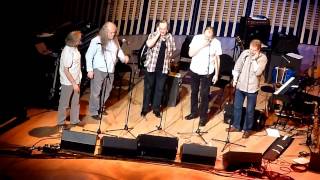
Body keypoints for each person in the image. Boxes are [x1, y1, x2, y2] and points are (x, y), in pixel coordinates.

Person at [86, 22, 129, 120]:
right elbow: (88, 55)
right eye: (111, 33)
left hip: (110, 70)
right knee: (96, 92)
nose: (113, 35)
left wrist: (124, 58)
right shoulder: (96, 40)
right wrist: (89, 70)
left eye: (114, 33)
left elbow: (119, 52)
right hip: (98, 70)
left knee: (107, 91)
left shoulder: (115, 41)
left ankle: (100, 107)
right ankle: (94, 111)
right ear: (105, 31)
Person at [228, 39, 268, 138]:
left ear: (258, 50)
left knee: (250, 110)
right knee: (237, 107)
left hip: (252, 88)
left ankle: (247, 129)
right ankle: (236, 126)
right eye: (250, 49)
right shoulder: (245, 53)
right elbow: (238, 66)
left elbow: (258, 72)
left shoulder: (263, 58)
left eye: (253, 50)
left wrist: (254, 59)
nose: (251, 52)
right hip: (240, 85)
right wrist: (235, 79)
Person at [184, 27, 222, 127]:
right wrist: (203, 45)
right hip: (195, 70)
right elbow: (190, 53)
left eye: (210, 37)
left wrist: (217, 74)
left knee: (204, 94)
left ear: (213, 36)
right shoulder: (197, 38)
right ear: (203, 33)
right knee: (194, 91)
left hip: (207, 72)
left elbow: (217, 59)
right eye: (206, 36)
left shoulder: (216, 42)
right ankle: (194, 112)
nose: (208, 39)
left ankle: (203, 117)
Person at [141, 20, 176, 118]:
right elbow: (149, 45)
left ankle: (156, 109)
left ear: (167, 29)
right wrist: (157, 35)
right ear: (157, 28)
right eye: (161, 28)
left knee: (159, 89)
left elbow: (172, 50)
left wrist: (166, 42)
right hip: (151, 67)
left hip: (163, 68)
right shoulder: (152, 35)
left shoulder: (170, 37)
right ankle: (145, 108)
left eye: (164, 28)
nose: (163, 30)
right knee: (148, 88)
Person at [57, 31, 85, 130]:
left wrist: (77, 81)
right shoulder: (67, 52)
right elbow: (66, 70)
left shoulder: (74, 48)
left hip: (76, 80)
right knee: (64, 104)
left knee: (75, 102)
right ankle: (61, 124)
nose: (81, 40)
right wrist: (73, 84)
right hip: (68, 82)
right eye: (80, 38)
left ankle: (74, 120)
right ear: (75, 40)